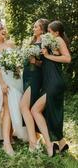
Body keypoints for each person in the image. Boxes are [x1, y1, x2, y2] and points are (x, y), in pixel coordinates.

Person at [0, 22, 28, 156]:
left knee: (12, 107)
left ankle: (8, 136)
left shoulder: (10, 45)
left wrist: (17, 67)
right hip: (1, 80)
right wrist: (2, 83)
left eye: (4, 28)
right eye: (1, 29)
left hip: (15, 79)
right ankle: (6, 143)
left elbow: (19, 60)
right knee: (6, 106)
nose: (4, 30)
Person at [31, 20, 71, 157]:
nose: (47, 33)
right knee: (51, 111)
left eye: (49, 31)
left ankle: (50, 144)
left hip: (54, 81)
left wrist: (48, 55)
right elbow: (47, 64)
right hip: (49, 80)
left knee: (35, 110)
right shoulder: (51, 41)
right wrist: (37, 62)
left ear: (56, 32)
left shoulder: (58, 39)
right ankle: (61, 143)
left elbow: (67, 59)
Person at [20, 18, 49, 152]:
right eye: (34, 26)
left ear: (42, 28)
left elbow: (46, 63)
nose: (34, 28)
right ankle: (35, 139)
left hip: (35, 78)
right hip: (26, 76)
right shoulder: (33, 41)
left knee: (23, 106)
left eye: (36, 27)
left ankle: (33, 142)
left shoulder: (45, 42)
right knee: (27, 107)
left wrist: (35, 62)